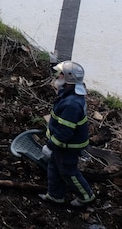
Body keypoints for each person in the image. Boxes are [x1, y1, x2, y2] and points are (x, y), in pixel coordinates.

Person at [38, 61, 96, 207]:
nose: (57, 77)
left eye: (60, 75)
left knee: (68, 171)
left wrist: (50, 146)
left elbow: (65, 131)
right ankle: (55, 196)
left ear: (68, 79)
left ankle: (86, 196)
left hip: (68, 146)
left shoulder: (71, 104)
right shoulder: (68, 95)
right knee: (54, 168)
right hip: (62, 144)